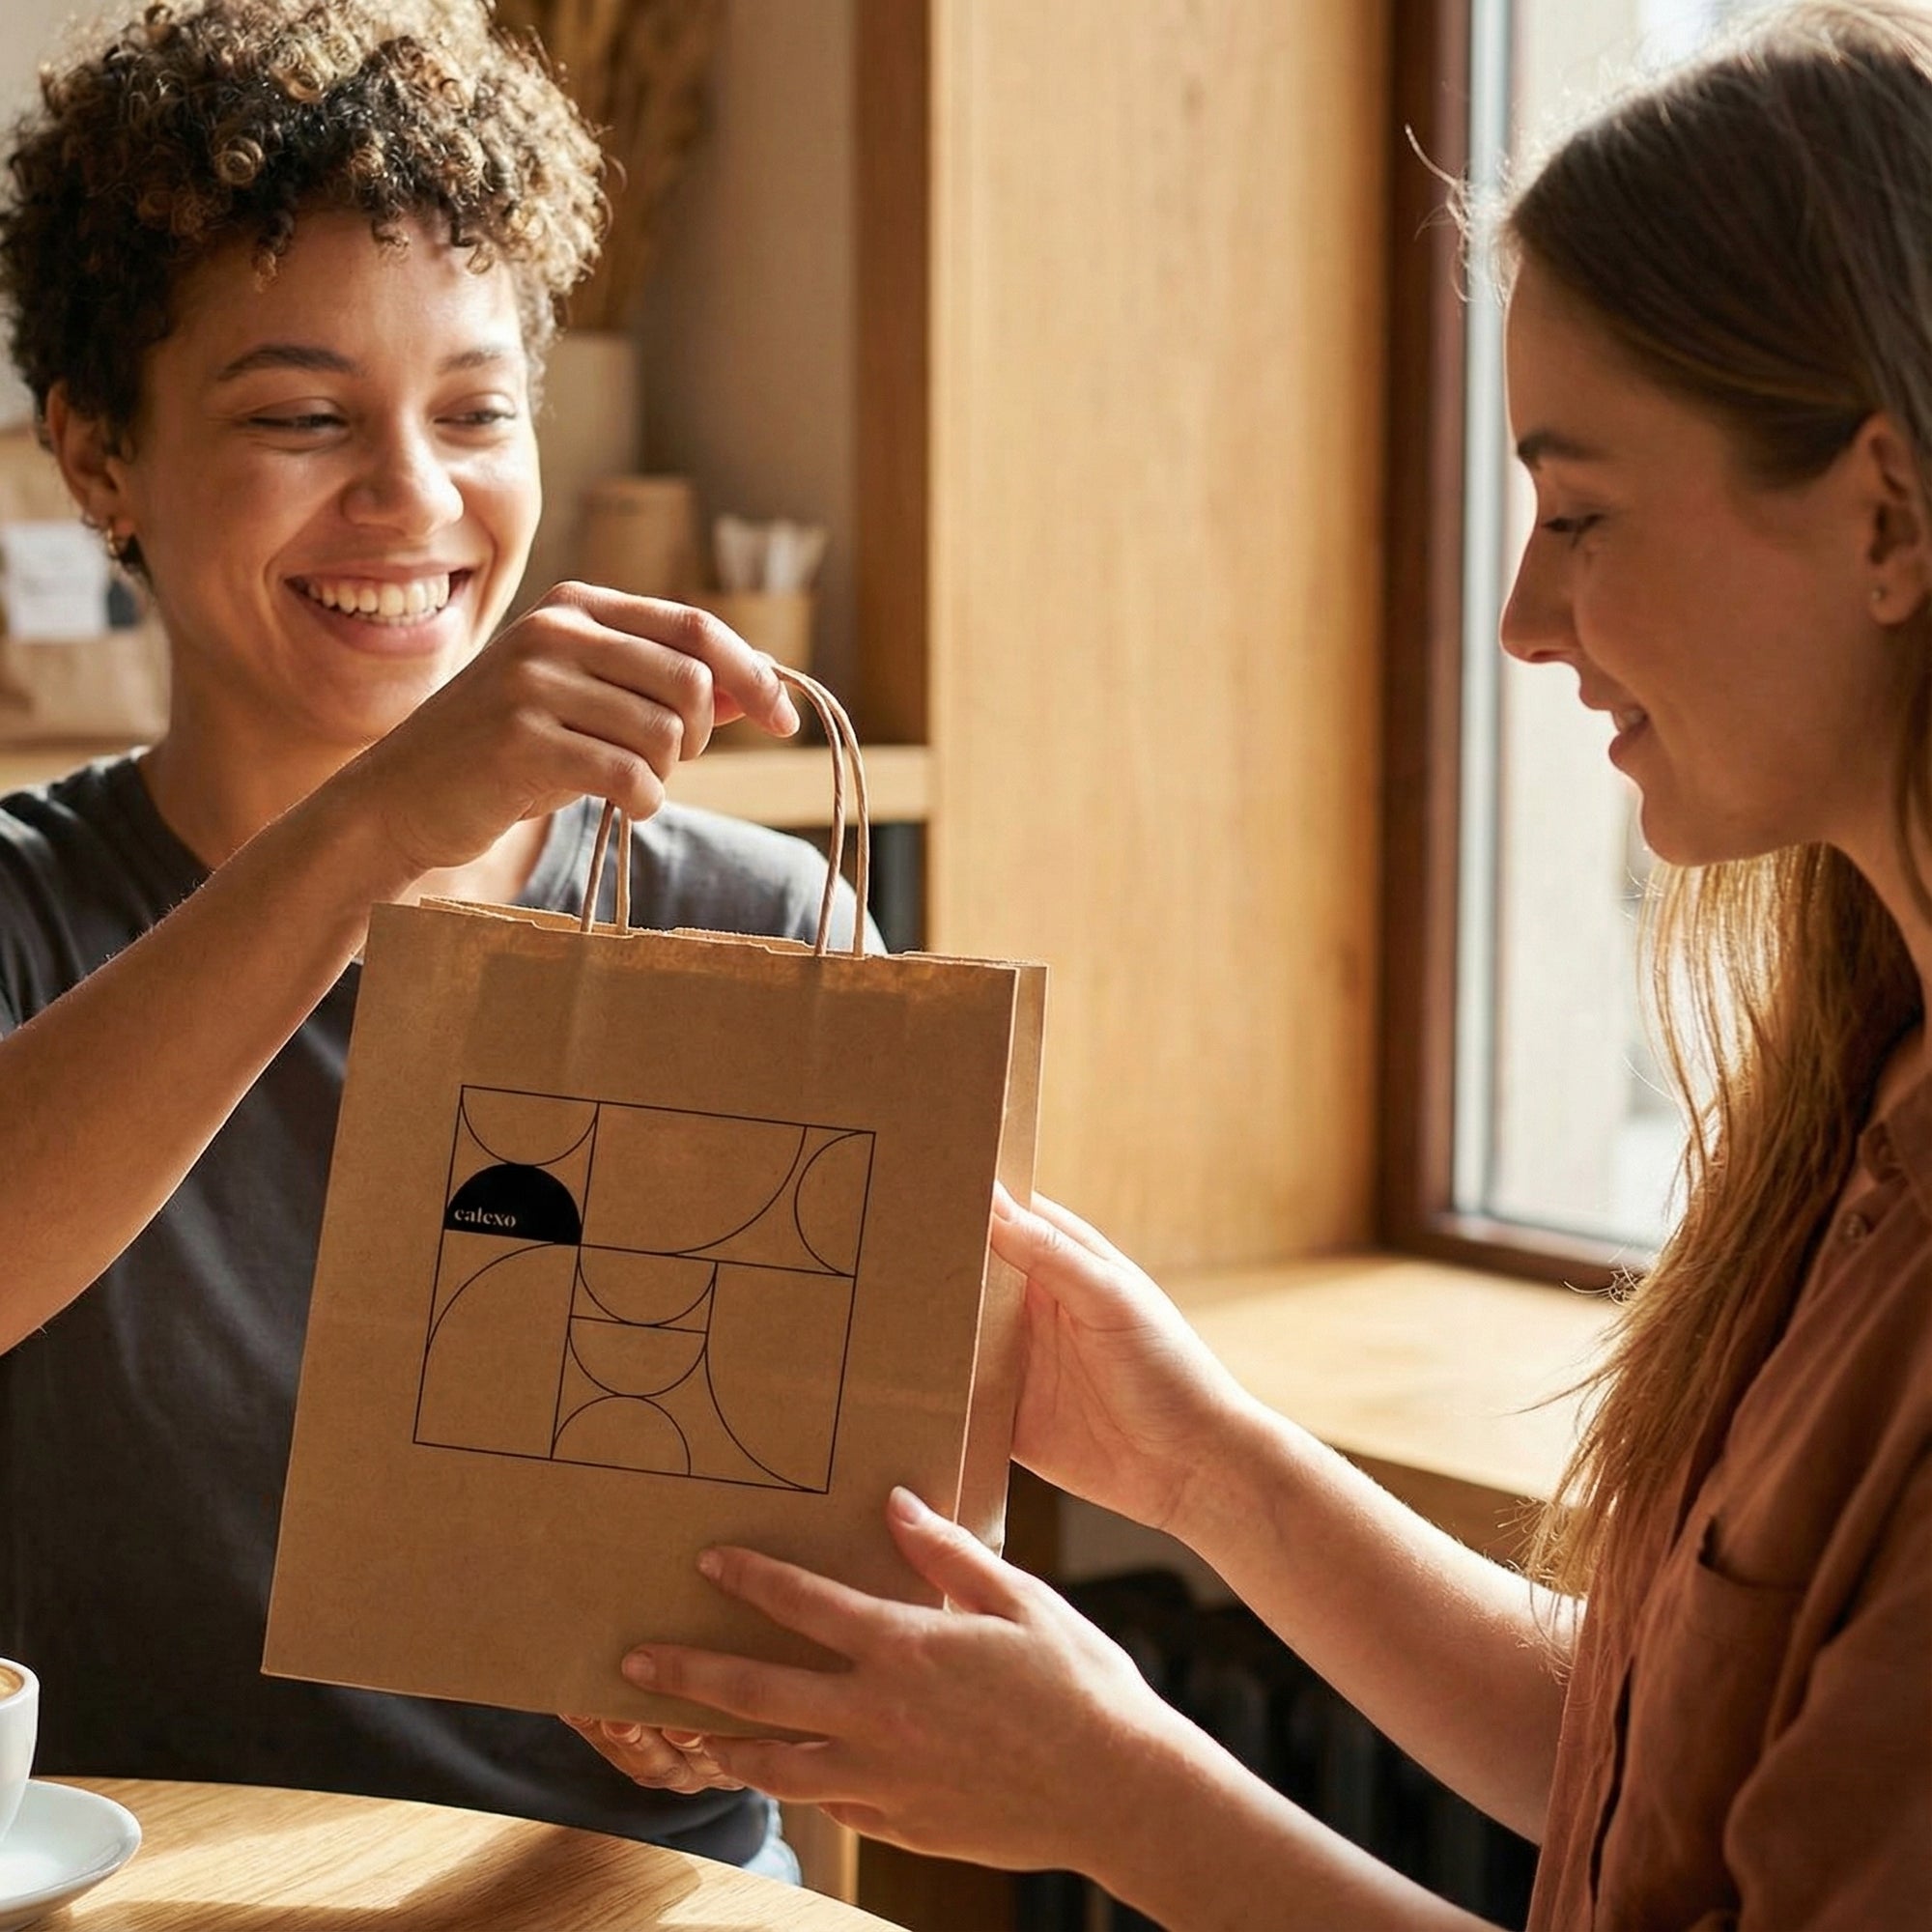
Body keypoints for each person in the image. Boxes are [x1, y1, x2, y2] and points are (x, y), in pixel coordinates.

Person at [590, 5, 1932, 1925]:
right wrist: (1204, 1463)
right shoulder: (1862, 1084)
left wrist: (1115, 1793)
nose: (1521, 617)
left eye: (1579, 512)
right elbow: (1661, 1770)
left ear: (1886, 514)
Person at [0, 0, 866, 1878]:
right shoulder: (27, 918)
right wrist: (377, 827)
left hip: (635, 1902)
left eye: (474, 411)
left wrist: (741, 1681)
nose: (411, 494)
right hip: (156, 1900)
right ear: (97, 456)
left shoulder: (757, 928)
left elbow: (857, 1547)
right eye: (300, 416)